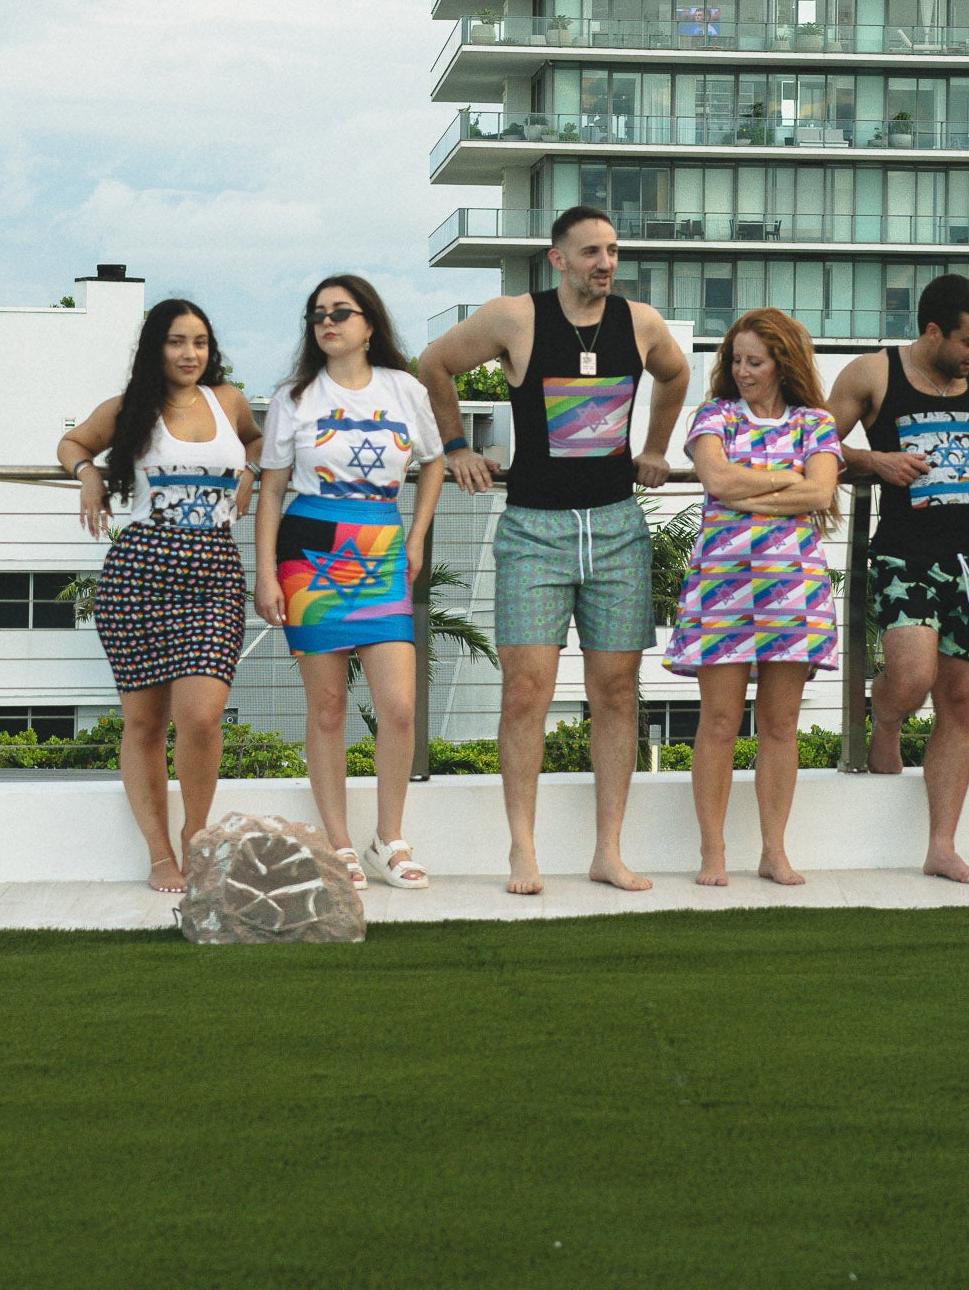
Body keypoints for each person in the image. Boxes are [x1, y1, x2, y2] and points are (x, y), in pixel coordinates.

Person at [420, 206, 690, 896]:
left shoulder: (639, 323)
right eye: (590, 252)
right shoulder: (515, 318)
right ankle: (523, 850)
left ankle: (607, 851)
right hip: (533, 530)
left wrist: (655, 449)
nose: (605, 262)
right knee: (526, 693)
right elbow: (434, 365)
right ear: (558, 260)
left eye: (612, 250)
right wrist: (456, 448)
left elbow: (675, 374)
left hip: (617, 528)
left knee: (617, 693)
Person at [58, 299, 262, 893]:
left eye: (199, 341)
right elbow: (72, 444)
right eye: (176, 342)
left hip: (215, 575)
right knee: (144, 724)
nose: (189, 353)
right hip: (139, 573)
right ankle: (158, 855)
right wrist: (89, 474)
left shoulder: (227, 401)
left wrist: (249, 472)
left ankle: (195, 840)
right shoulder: (129, 409)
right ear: (156, 348)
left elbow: (255, 443)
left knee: (202, 715)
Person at [828, 275, 969, 884]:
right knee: (912, 679)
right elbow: (813, 446)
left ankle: (941, 844)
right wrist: (874, 460)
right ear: (933, 331)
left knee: (959, 699)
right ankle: (885, 717)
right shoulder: (872, 374)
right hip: (905, 553)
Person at [254, 276, 444, 893]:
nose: (328, 323)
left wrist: (416, 536)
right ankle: (339, 844)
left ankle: (389, 838)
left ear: (369, 324)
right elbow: (272, 489)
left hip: (382, 545)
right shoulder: (296, 396)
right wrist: (264, 574)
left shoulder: (405, 389)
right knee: (328, 707)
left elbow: (434, 462)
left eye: (341, 312)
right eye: (317, 316)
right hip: (308, 550)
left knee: (399, 705)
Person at [666, 309, 842, 887]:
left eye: (755, 362)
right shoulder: (713, 415)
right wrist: (787, 483)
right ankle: (711, 851)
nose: (742, 371)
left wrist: (759, 487)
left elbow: (822, 491)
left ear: (782, 364)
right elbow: (716, 481)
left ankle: (773, 850)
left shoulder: (815, 422)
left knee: (779, 724)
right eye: (735, 360)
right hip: (723, 589)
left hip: (795, 592)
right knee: (717, 722)